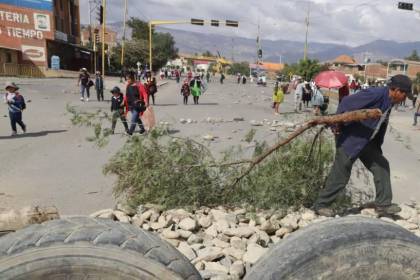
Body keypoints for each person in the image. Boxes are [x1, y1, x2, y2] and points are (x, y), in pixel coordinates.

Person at [314, 74, 413, 217]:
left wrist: (376, 146)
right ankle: (321, 205)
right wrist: (336, 125)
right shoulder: (376, 94)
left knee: (381, 165)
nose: (404, 99)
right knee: (341, 174)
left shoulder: (389, 100)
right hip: (351, 139)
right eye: (404, 95)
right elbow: (346, 103)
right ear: (396, 90)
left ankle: (383, 204)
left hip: (366, 141)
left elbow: (380, 125)